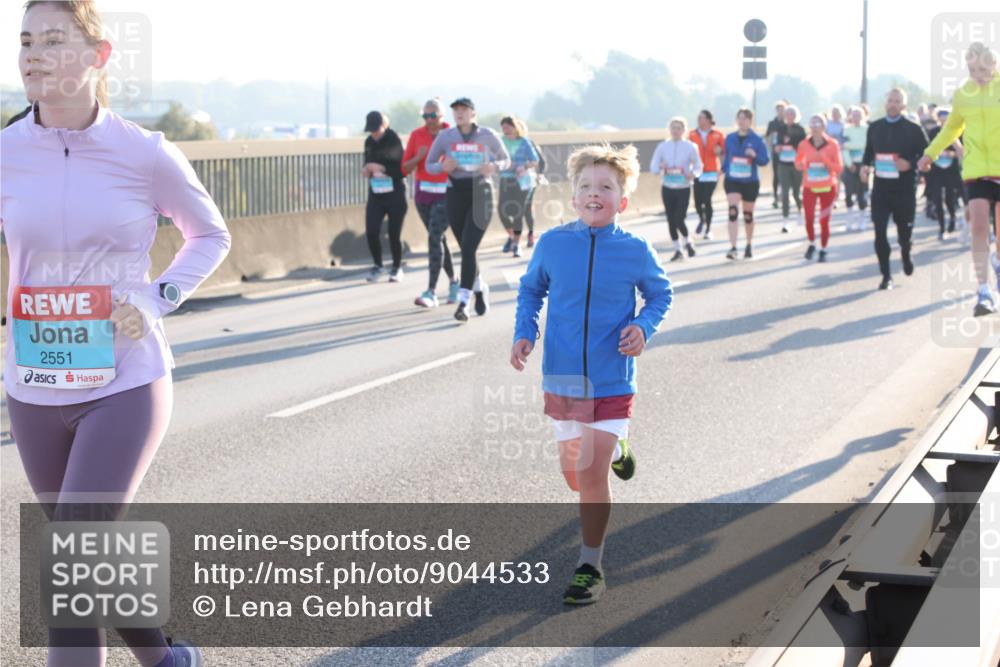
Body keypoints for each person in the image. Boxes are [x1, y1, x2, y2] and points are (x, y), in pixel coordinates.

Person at [3, 2, 231, 666]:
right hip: (35, 383)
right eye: (25, 41)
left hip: (124, 381)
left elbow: (209, 234)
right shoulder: (5, 153)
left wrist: (156, 296)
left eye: (53, 40)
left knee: (73, 551)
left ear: (99, 58)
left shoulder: (143, 152)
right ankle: (164, 658)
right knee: (89, 549)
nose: (33, 55)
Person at [510, 143, 672, 605]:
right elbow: (530, 291)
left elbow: (661, 295)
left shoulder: (635, 250)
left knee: (591, 471)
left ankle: (590, 566)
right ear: (574, 196)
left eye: (606, 187)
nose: (594, 193)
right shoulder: (553, 244)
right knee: (574, 476)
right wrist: (526, 332)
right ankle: (619, 446)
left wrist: (643, 326)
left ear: (622, 200)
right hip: (562, 377)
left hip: (611, 378)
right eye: (585, 186)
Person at [919, 42, 1000, 315]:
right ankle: (984, 291)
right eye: (973, 69)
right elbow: (952, 128)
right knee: (978, 225)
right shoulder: (963, 94)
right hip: (977, 169)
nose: (979, 74)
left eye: (984, 69)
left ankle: (998, 264)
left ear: (994, 65)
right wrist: (929, 154)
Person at [425, 97, 510, 322]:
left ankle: (463, 302)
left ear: (473, 113)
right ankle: (480, 288)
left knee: (469, 247)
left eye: (464, 110)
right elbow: (429, 164)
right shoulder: (446, 137)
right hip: (455, 193)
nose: (459, 113)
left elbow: (505, 160)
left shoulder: (487, 135)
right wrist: (442, 167)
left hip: (480, 191)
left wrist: (494, 166)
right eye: (456, 110)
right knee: (466, 249)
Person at [861, 88, 929, 290]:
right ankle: (886, 276)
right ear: (885, 103)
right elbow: (868, 154)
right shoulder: (875, 127)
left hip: (904, 189)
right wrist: (865, 167)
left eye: (897, 101)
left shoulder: (913, 128)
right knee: (879, 232)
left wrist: (910, 163)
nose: (893, 104)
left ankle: (906, 253)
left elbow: (926, 154)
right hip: (881, 189)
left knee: (904, 235)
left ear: (903, 105)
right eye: (890, 100)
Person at [401, 98, 459, 308]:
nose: (429, 120)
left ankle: (431, 291)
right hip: (423, 195)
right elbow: (404, 169)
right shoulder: (417, 135)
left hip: (447, 194)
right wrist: (419, 157)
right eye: (425, 116)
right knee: (438, 239)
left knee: (434, 236)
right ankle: (454, 282)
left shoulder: (453, 135)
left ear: (442, 116)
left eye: (433, 115)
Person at [362, 110, 407, 282]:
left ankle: (396, 267)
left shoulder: (394, 140)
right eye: (371, 130)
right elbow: (366, 162)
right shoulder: (368, 142)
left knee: (394, 233)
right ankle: (378, 265)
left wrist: (382, 168)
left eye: (376, 130)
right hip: (376, 193)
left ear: (384, 125)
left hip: (395, 193)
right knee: (372, 230)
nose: (374, 134)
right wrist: (366, 169)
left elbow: (402, 170)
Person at [650, 116, 702, 260]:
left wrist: (693, 173)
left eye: (679, 128)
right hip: (667, 186)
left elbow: (698, 166)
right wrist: (660, 167)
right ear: (669, 129)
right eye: (673, 127)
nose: (675, 131)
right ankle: (678, 249)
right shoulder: (662, 146)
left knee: (679, 219)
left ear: (684, 130)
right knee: (671, 220)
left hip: (683, 186)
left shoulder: (690, 146)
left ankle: (688, 241)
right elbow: (653, 166)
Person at [721, 107, 770, 259]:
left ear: (750, 121)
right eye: (739, 118)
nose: (742, 121)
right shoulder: (729, 138)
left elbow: (765, 160)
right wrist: (722, 170)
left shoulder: (757, 139)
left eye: (745, 119)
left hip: (750, 181)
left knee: (747, 215)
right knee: (733, 211)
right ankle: (733, 247)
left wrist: (754, 155)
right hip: (732, 180)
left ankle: (748, 244)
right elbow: (725, 156)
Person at [795, 113, 844, 262]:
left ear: (824, 127)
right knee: (809, 218)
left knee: (824, 220)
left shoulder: (832, 144)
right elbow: (798, 162)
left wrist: (826, 161)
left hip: (827, 187)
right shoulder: (803, 144)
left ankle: (823, 248)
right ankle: (812, 243)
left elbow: (839, 168)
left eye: (818, 125)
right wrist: (801, 165)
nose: (815, 128)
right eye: (812, 125)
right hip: (809, 186)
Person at [498, 115, 540, 258]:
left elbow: (535, 160)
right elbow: (494, 158)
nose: (505, 130)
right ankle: (511, 236)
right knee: (502, 211)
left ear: (515, 128)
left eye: (508, 127)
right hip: (505, 180)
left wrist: (524, 166)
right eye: (503, 128)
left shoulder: (524, 142)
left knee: (518, 212)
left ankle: (516, 244)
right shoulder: (500, 141)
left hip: (522, 182)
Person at [924, 107, 965, 240]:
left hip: (951, 171)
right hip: (936, 171)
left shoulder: (958, 132)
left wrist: (952, 153)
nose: (944, 123)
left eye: (946, 120)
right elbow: (927, 147)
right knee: (937, 199)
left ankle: (952, 218)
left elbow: (963, 151)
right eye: (941, 121)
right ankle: (942, 228)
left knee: (949, 199)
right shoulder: (933, 132)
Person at [689, 109, 726, 239]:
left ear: (709, 120)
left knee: (707, 199)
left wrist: (720, 151)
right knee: (698, 201)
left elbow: (725, 152)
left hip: (712, 172)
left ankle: (708, 229)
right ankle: (702, 219)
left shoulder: (718, 134)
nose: (699, 120)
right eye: (698, 118)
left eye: (702, 118)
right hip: (698, 171)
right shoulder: (692, 134)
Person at [775, 104, 806, 230]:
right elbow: (777, 143)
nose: (789, 116)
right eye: (787, 114)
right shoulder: (781, 128)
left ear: (796, 115)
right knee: (785, 192)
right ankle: (785, 220)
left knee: (796, 193)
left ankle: (800, 210)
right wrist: (778, 148)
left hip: (796, 165)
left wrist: (794, 147)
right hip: (783, 164)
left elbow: (804, 147)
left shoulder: (800, 130)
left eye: (792, 114)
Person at [841, 105, 870, 231]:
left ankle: (862, 218)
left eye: (859, 115)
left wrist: (853, 146)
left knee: (862, 192)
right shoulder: (847, 130)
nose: (856, 117)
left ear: (863, 116)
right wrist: (849, 163)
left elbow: (868, 147)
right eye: (854, 115)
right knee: (848, 192)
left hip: (863, 165)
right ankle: (849, 218)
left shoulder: (868, 129)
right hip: (850, 165)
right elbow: (845, 148)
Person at [523, 136, 547, 248]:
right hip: (511, 181)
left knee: (526, 208)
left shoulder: (528, 142)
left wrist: (540, 174)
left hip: (529, 181)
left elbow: (541, 161)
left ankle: (530, 234)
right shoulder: (507, 143)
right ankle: (513, 236)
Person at [765, 100, 788, 209]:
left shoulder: (788, 123)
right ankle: (775, 197)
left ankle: (785, 196)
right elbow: (768, 137)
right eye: (778, 109)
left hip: (787, 153)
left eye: (782, 109)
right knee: (776, 175)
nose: (780, 112)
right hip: (775, 153)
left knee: (786, 175)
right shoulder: (772, 124)